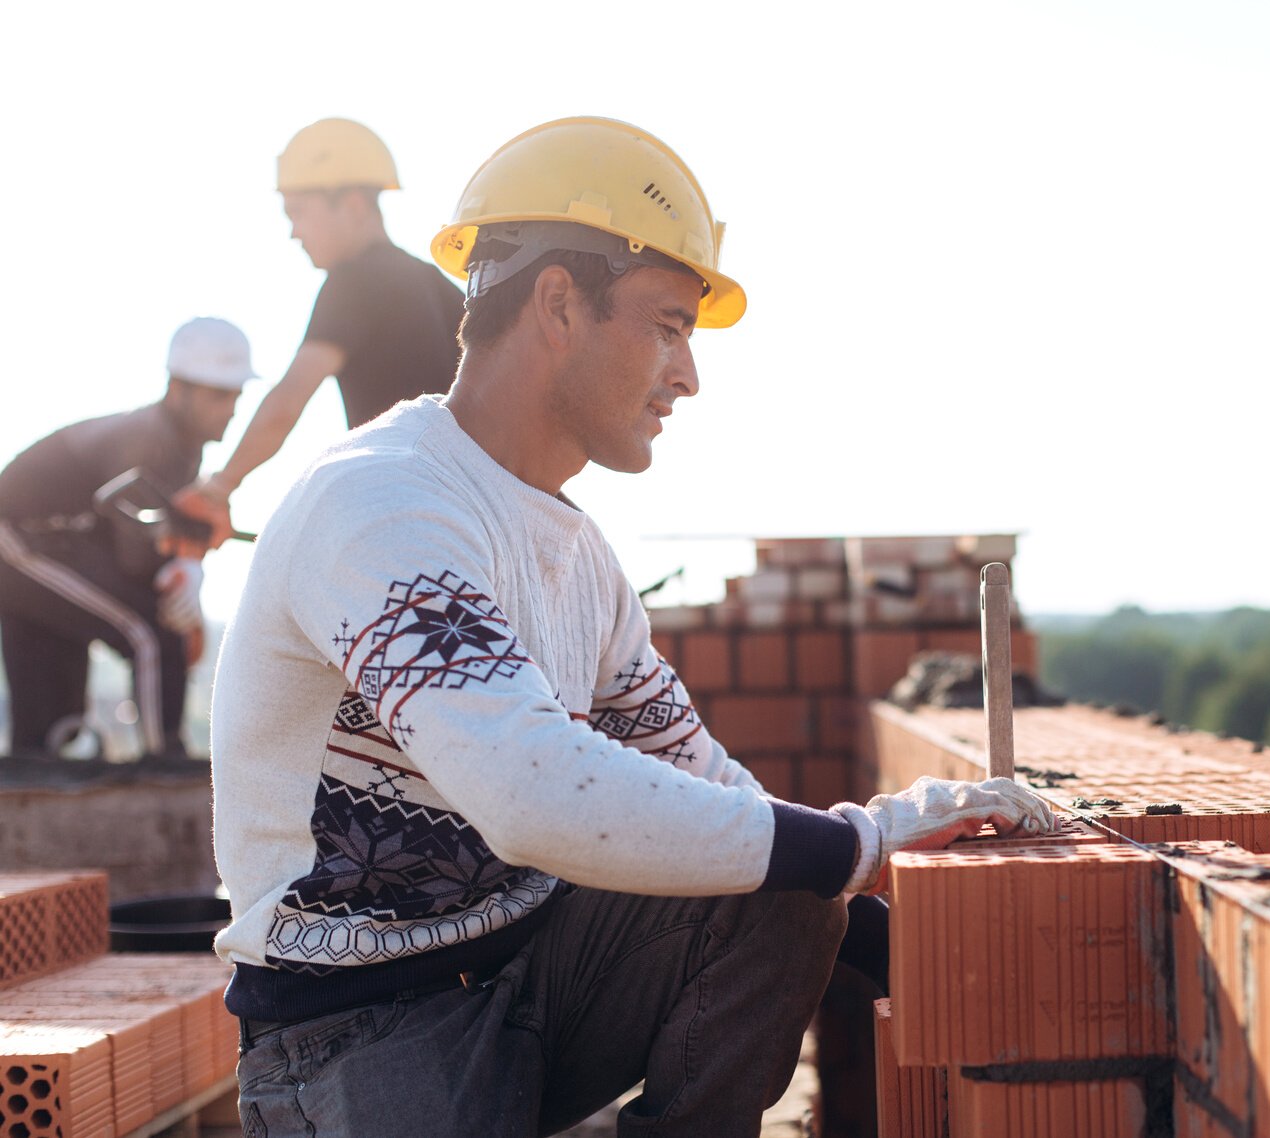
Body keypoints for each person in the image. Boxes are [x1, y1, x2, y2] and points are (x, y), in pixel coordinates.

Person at [211, 117, 1057, 1138]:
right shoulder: (385, 505)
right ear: (560, 302)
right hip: (359, 1033)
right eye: (667, 324)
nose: (688, 375)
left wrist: (891, 923)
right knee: (803, 861)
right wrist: (859, 840)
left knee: (783, 887)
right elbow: (529, 790)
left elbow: (708, 794)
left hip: (529, 977)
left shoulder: (580, 559)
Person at [173, 118, 464, 541]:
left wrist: (217, 488)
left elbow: (286, 405)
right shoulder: (436, 285)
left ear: (353, 204)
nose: (294, 233)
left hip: (410, 514)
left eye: (299, 213)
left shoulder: (353, 281)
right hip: (475, 512)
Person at [0, 317, 254, 766]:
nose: (231, 409)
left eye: (235, 396)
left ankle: (39, 766)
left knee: (44, 734)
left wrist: (185, 566)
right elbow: (137, 556)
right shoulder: (147, 439)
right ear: (178, 390)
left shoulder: (183, 447)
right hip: (19, 540)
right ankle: (166, 762)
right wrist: (184, 574)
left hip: (63, 544)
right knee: (150, 634)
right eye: (219, 396)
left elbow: (148, 542)